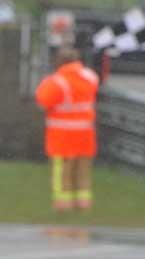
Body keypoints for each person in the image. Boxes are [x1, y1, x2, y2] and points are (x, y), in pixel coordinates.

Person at [35, 47, 100, 211]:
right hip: (85, 132)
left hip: (62, 134)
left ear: (59, 61)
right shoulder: (90, 77)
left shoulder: (56, 81)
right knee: (83, 169)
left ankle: (62, 203)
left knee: (62, 170)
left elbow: (43, 100)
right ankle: (83, 202)